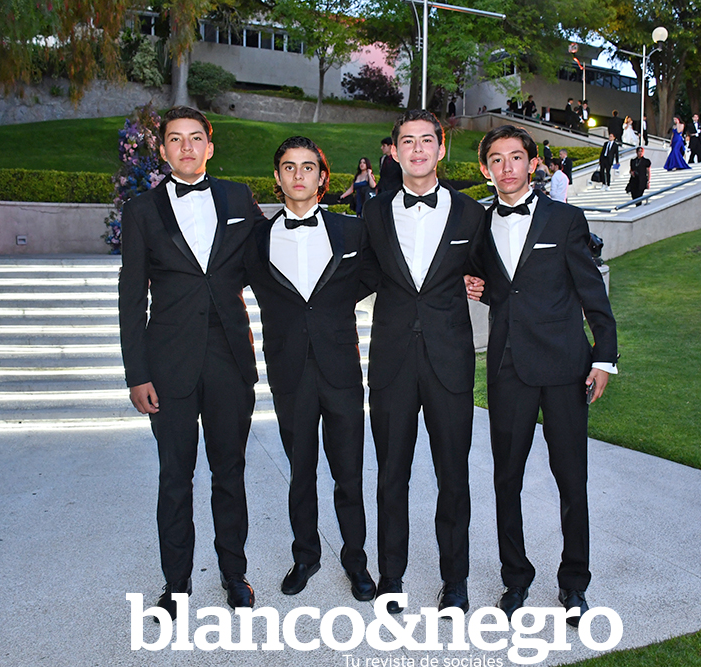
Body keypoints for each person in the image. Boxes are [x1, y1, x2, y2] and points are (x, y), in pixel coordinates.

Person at [118, 106, 265, 618]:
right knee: (175, 478)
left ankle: (234, 575)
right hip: (168, 366)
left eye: (196, 138)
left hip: (230, 359)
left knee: (230, 473)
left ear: (210, 146)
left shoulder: (238, 198)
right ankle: (176, 584)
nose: (186, 147)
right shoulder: (141, 211)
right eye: (176, 139)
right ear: (162, 150)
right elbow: (131, 298)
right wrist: (137, 374)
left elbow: (270, 261)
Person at [470, 124, 618, 623]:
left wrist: (603, 357)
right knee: (505, 480)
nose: (506, 166)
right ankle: (516, 578)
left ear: (533, 163)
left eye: (515, 157)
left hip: (564, 367)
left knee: (572, 481)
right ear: (486, 168)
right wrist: (477, 285)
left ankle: (574, 584)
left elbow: (591, 291)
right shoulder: (479, 223)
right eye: (496, 159)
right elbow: (503, 288)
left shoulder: (566, 219)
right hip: (508, 368)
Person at [362, 109, 486, 615]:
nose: (417, 149)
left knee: (453, 477)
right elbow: (357, 274)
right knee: (391, 476)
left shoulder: (470, 214)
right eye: (407, 141)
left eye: (426, 140)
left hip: (449, 362)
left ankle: (455, 581)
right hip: (391, 362)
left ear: (441, 148)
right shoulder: (373, 212)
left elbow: (492, 274)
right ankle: (391, 576)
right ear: (394, 151)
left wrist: (480, 285)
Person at [244, 136, 378, 602]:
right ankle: (305, 556)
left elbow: (372, 277)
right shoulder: (255, 239)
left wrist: (330, 312)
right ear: (277, 177)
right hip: (289, 371)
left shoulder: (352, 231)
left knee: (349, 473)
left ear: (323, 177)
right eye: (288, 167)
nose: (298, 175)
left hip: (341, 368)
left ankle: (356, 560)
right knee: (300, 472)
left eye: (307, 167)